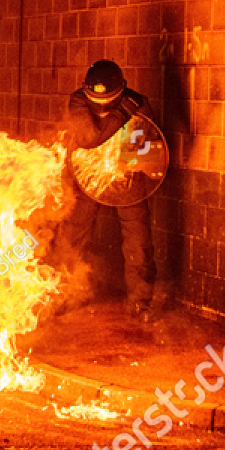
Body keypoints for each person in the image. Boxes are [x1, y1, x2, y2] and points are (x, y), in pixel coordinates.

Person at [60, 59, 158, 321]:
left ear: (123, 90)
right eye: (97, 100)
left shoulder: (139, 104)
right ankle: (68, 295)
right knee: (74, 236)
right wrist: (122, 113)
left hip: (123, 178)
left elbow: (144, 146)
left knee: (138, 240)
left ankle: (141, 302)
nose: (101, 104)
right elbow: (88, 138)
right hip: (85, 176)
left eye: (110, 101)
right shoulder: (80, 101)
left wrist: (125, 162)